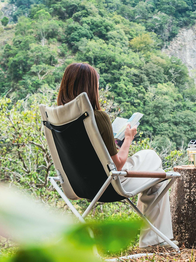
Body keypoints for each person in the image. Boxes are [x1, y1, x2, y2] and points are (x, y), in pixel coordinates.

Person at [57, 62, 173, 248]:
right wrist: (128, 138)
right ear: (90, 88)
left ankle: (155, 241)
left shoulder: (57, 119)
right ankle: (154, 242)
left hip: (76, 185)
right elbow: (117, 165)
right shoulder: (97, 117)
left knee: (157, 177)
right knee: (154, 163)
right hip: (108, 185)